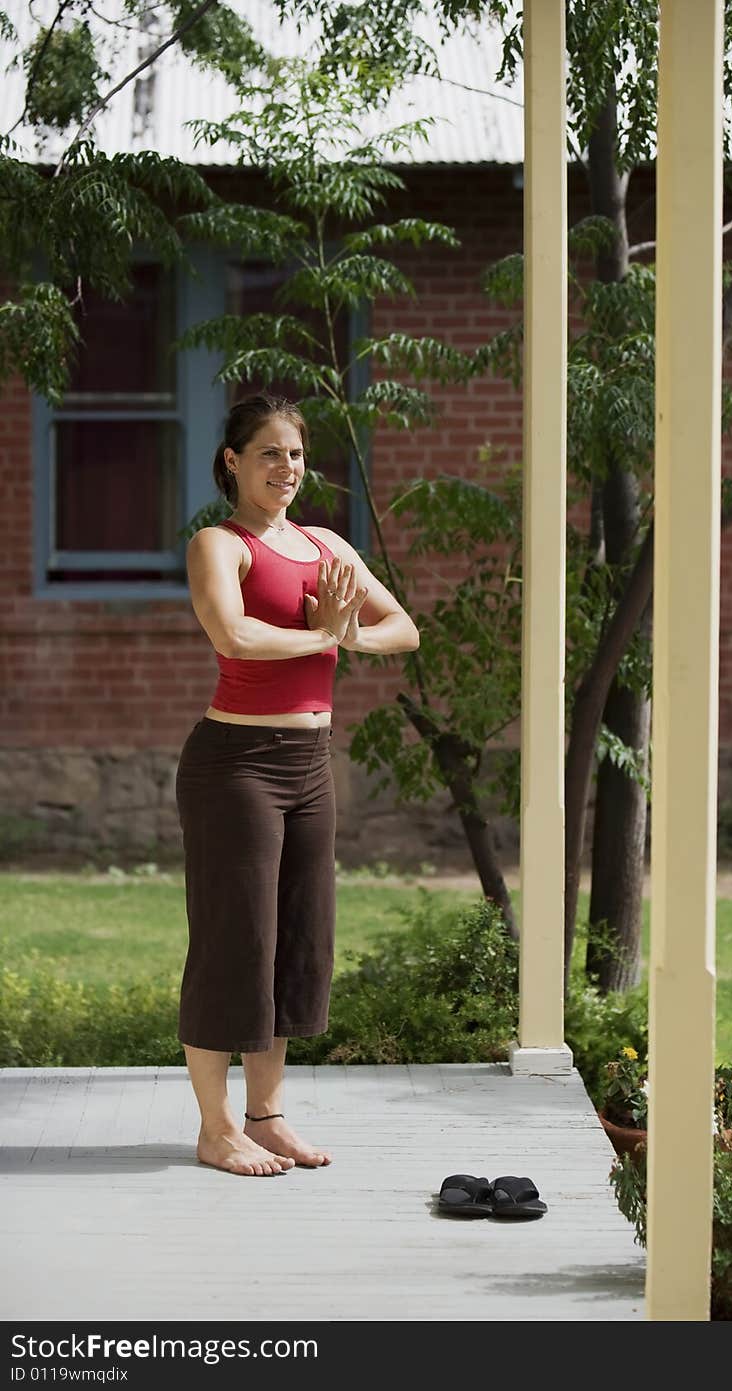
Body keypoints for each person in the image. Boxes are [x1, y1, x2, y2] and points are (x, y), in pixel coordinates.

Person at [175, 393, 420, 1176]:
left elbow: (403, 627)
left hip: (310, 768)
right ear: (233, 463)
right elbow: (233, 634)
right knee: (233, 941)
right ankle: (216, 1129)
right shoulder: (220, 543)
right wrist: (323, 633)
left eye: (297, 454)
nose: (287, 468)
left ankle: (266, 1115)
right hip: (235, 767)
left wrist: (350, 633)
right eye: (269, 453)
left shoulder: (323, 544)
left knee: (295, 941)